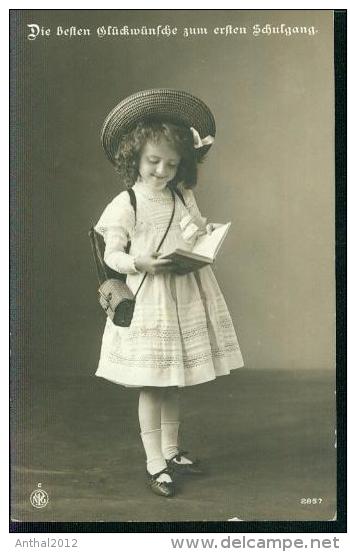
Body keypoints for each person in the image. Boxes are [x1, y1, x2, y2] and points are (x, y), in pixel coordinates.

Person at [94, 89, 244, 498]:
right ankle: (154, 461)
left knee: (173, 381)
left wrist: (204, 233)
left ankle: (173, 451)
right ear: (134, 157)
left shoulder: (181, 194)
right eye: (153, 162)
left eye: (172, 164)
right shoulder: (126, 203)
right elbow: (113, 255)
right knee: (152, 382)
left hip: (183, 291)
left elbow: (192, 227)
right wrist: (141, 263)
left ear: (183, 166)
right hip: (150, 300)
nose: (162, 171)